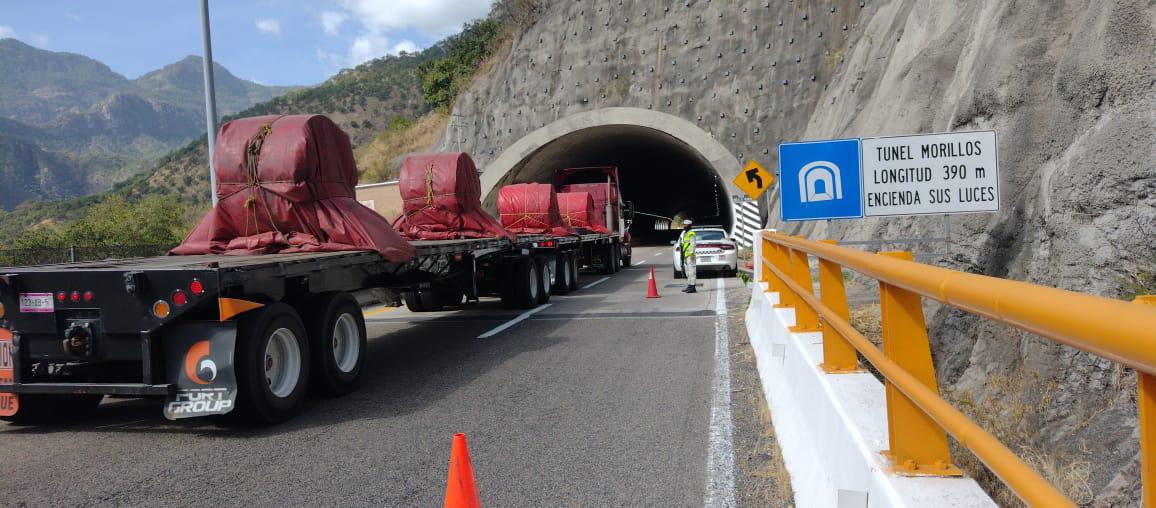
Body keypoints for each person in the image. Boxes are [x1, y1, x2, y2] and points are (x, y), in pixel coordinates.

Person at [678, 219, 697, 293]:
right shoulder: (685, 233)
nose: (684, 226)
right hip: (686, 256)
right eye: (683, 225)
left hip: (690, 255)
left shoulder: (691, 233)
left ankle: (693, 287)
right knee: (688, 272)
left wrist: (692, 253)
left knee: (692, 271)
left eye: (685, 225)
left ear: (689, 225)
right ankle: (689, 286)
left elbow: (693, 244)